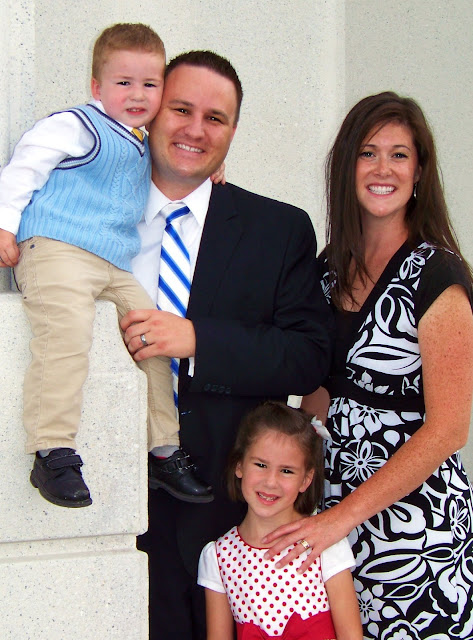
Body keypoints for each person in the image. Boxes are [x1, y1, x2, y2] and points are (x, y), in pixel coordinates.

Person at [120, 50, 333, 639]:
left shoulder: (278, 229)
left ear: (233, 132)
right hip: (107, 487)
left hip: (226, 502)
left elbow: (307, 355)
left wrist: (198, 340)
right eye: (180, 109)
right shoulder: (95, 211)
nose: (195, 129)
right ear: (151, 112)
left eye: (215, 118)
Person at [261, 92, 473, 639]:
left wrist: (340, 519)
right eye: (368, 153)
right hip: (330, 516)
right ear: (346, 166)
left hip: (416, 530)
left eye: (399, 155)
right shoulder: (329, 270)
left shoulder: (437, 276)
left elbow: (449, 430)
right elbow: (318, 394)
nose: (383, 169)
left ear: (419, 171)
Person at [0, 23, 212, 508]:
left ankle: (163, 449)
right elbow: (25, 167)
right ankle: (52, 451)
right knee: (65, 335)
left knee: (155, 334)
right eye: (123, 83)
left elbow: (179, 162)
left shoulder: (143, 139)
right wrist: (5, 224)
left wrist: (209, 168)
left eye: (150, 84)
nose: (137, 94)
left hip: (113, 263)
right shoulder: (77, 125)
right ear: (97, 86)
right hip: (58, 249)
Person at [198, 401, 362, 640]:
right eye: (261, 465)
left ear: (306, 480)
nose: (270, 482)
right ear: (239, 465)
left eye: (286, 471)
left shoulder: (324, 542)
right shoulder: (218, 556)